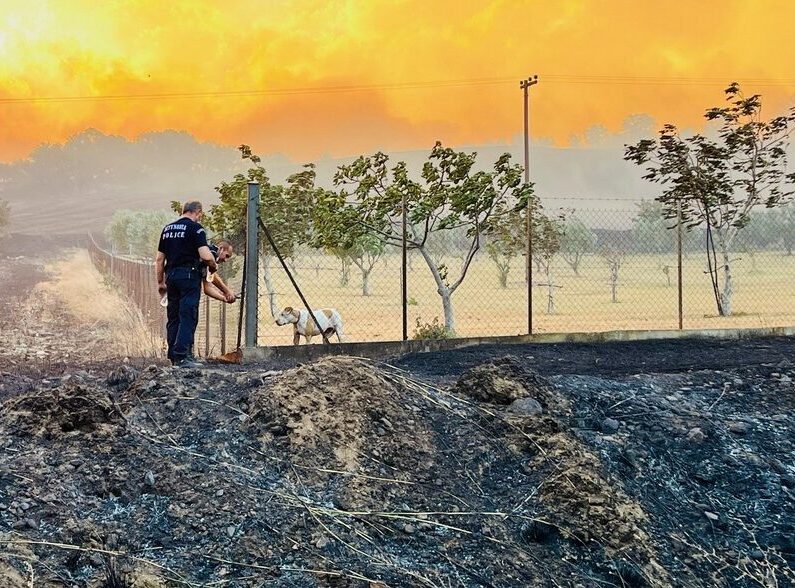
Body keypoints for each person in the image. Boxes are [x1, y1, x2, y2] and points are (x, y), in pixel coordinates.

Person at [155, 201, 217, 367]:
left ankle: (174, 357)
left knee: (173, 317)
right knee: (188, 315)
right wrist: (213, 265)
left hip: (171, 277)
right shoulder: (196, 229)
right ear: (197, 212)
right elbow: (205, 255)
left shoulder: (167, 229)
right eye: (200, 215)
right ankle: (183, 356)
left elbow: (160, 259)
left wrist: (160, 282)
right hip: (189, 276)